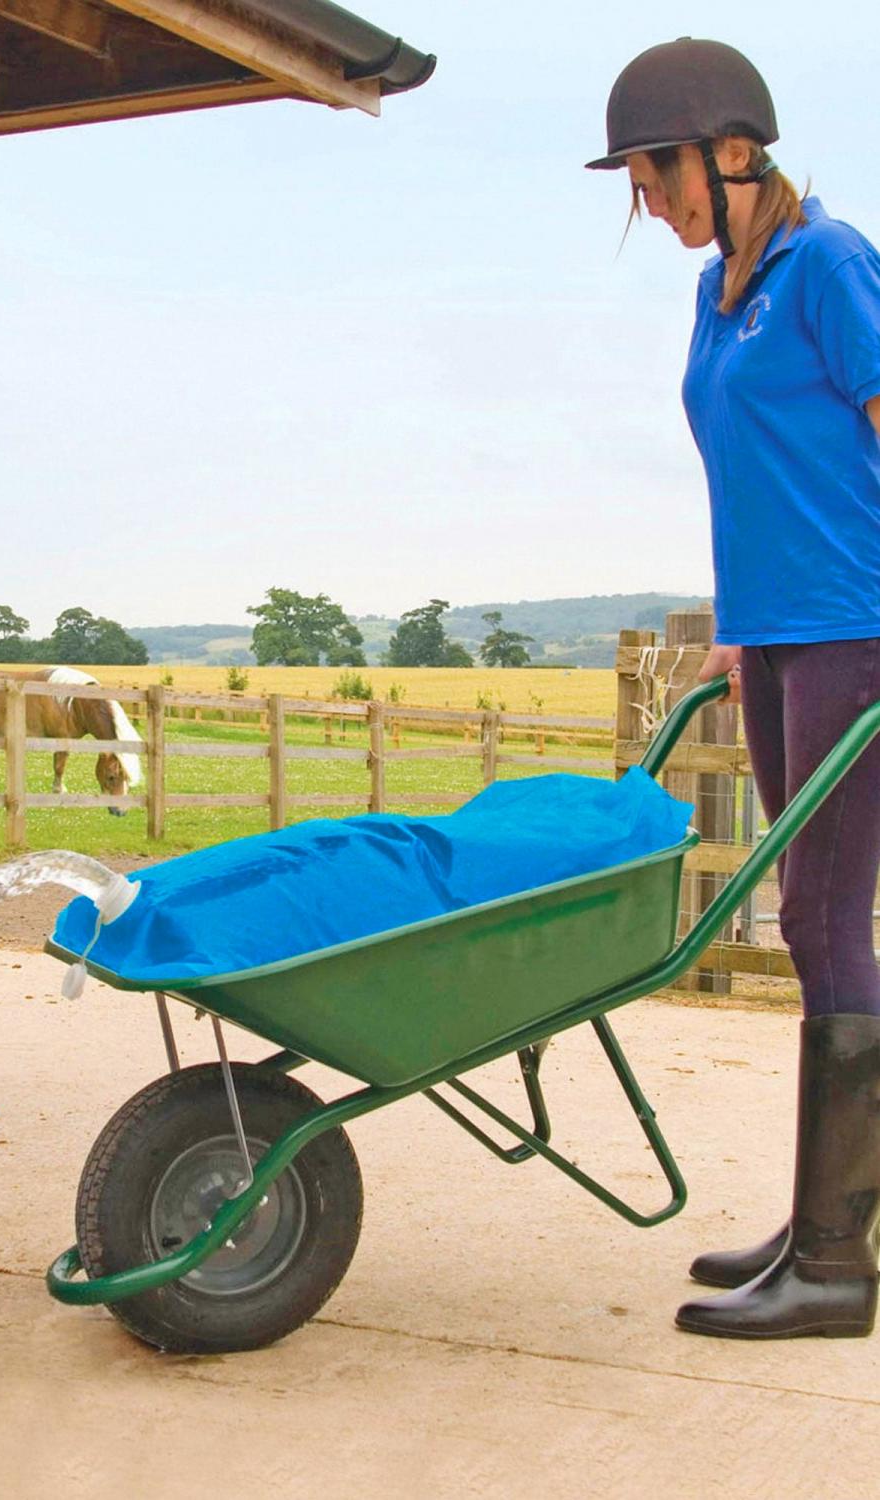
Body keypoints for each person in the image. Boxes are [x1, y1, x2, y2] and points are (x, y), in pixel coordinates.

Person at [589, 37, 880, 1339]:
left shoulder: (827, 265)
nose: (648, 204)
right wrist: (745, 628)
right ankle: (829, 1215)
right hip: (783, 636)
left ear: (727, 150)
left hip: (856, 630)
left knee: (824, 920)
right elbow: (769, 471)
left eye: (654, 176)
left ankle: (834, 1261)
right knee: (808, 914)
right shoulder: (724, 289)